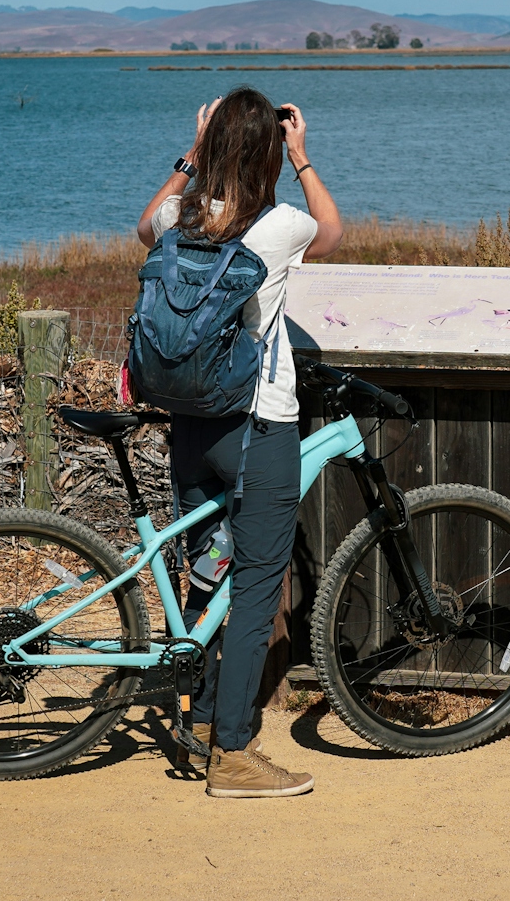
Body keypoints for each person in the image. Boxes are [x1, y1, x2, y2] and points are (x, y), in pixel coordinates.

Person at [136, 87, 342, 797]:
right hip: (258, 427)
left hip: (190, 424)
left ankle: (196, 721)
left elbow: (142, 225)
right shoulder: (280, 225)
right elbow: (335, 232)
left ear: (213, 144)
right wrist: (303, 156)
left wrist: (191, 159)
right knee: (257, 582)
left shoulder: (177, 216)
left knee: (205, 572)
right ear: (267, 153)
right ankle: (233, 751)